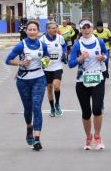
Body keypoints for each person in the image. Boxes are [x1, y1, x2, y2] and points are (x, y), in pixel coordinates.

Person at [6, 20, 50, 151]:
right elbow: (8, 60)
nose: (32, 32)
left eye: (34, 30)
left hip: (39, 78)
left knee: (37, 107)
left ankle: (37, 139)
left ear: (38, 31)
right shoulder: (21, 45)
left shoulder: (43, 45)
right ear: (26, 31)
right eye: (29, 30)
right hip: (23, 80)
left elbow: (46, 58)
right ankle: (29, 127)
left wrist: (46, 60)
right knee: (28, 108)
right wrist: (20, 63)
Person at [68, 19, 108, 150]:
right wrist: (80, 58)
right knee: (86, 112)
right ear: (80, 30)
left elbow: (105, 53)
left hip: (98, 79)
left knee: (97, 109)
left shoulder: (99, 41)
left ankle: (97, 136)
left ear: (92, 28)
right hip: (82, 81)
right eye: (83, 28)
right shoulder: (77, 45)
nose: (86, 30)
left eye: (88, 27)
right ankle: (88, 138)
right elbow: (70, 64)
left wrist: (104, 57)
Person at [40, 21, 67, 117]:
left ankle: (57, 104)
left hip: (57, 66)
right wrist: (43, 58)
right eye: (52, 28)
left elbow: (64, 46)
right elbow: (39, 51)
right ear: (47, 29)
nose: (55, 29)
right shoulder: (42, 39)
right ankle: (52, 107)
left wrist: (64, 53)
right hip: (47, 68)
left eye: (56, 28)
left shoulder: (60, 38)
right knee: (49, 88)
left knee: (56, 86)